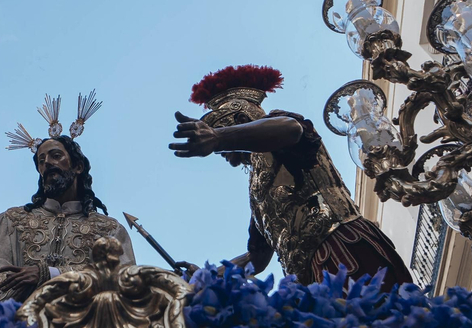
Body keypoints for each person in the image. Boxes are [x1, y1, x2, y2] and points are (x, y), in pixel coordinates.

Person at [169, 65, 412, 288]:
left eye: (223, 149)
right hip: (309, 279)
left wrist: (219, 138)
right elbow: (257, 258)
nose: (225, 156)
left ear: (242, 121)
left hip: (342, 248)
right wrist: (206, 277)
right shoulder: (257, 189)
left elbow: (291, 130)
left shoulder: (281, 126)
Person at [0, 92, 135, 301]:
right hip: (21, 316)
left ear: (78, 167)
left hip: (82, 319)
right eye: (41, 160)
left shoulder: (109, 230)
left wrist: (51, 275)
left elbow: (122, 280)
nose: (47, 163)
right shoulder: (13, 220)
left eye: (56, 156)